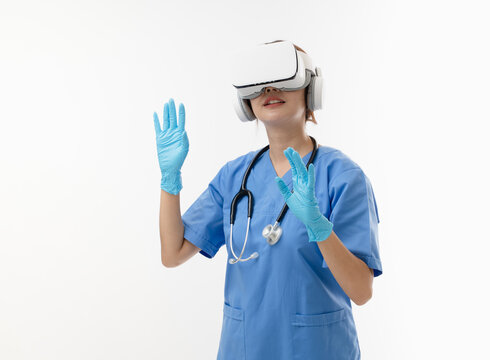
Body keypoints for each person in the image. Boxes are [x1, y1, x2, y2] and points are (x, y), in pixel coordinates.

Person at [153, 40, 382, 360]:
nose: (269, 88)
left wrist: (319, 226)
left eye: (284, 78)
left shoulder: (343, 176)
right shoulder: (234, 177)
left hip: (317, 351)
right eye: (258, 82)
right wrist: (170, 181)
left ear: (311, 89)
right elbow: (172, 254)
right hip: (244, 349)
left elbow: (362, 292)